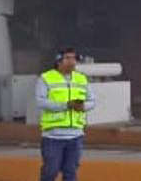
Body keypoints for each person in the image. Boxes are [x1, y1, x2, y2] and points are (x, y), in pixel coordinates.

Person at [36, 47, 96, 181]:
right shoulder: (46, 78)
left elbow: (92, 100)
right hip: (53, 136)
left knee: (70, 173)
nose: (72, 62)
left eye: (74, 58)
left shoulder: (81, 79)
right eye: (68, 58)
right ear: (58, 61)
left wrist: (83, 107)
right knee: (51, 171)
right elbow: (41, 102)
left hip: (75, 136)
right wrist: (66, 105)